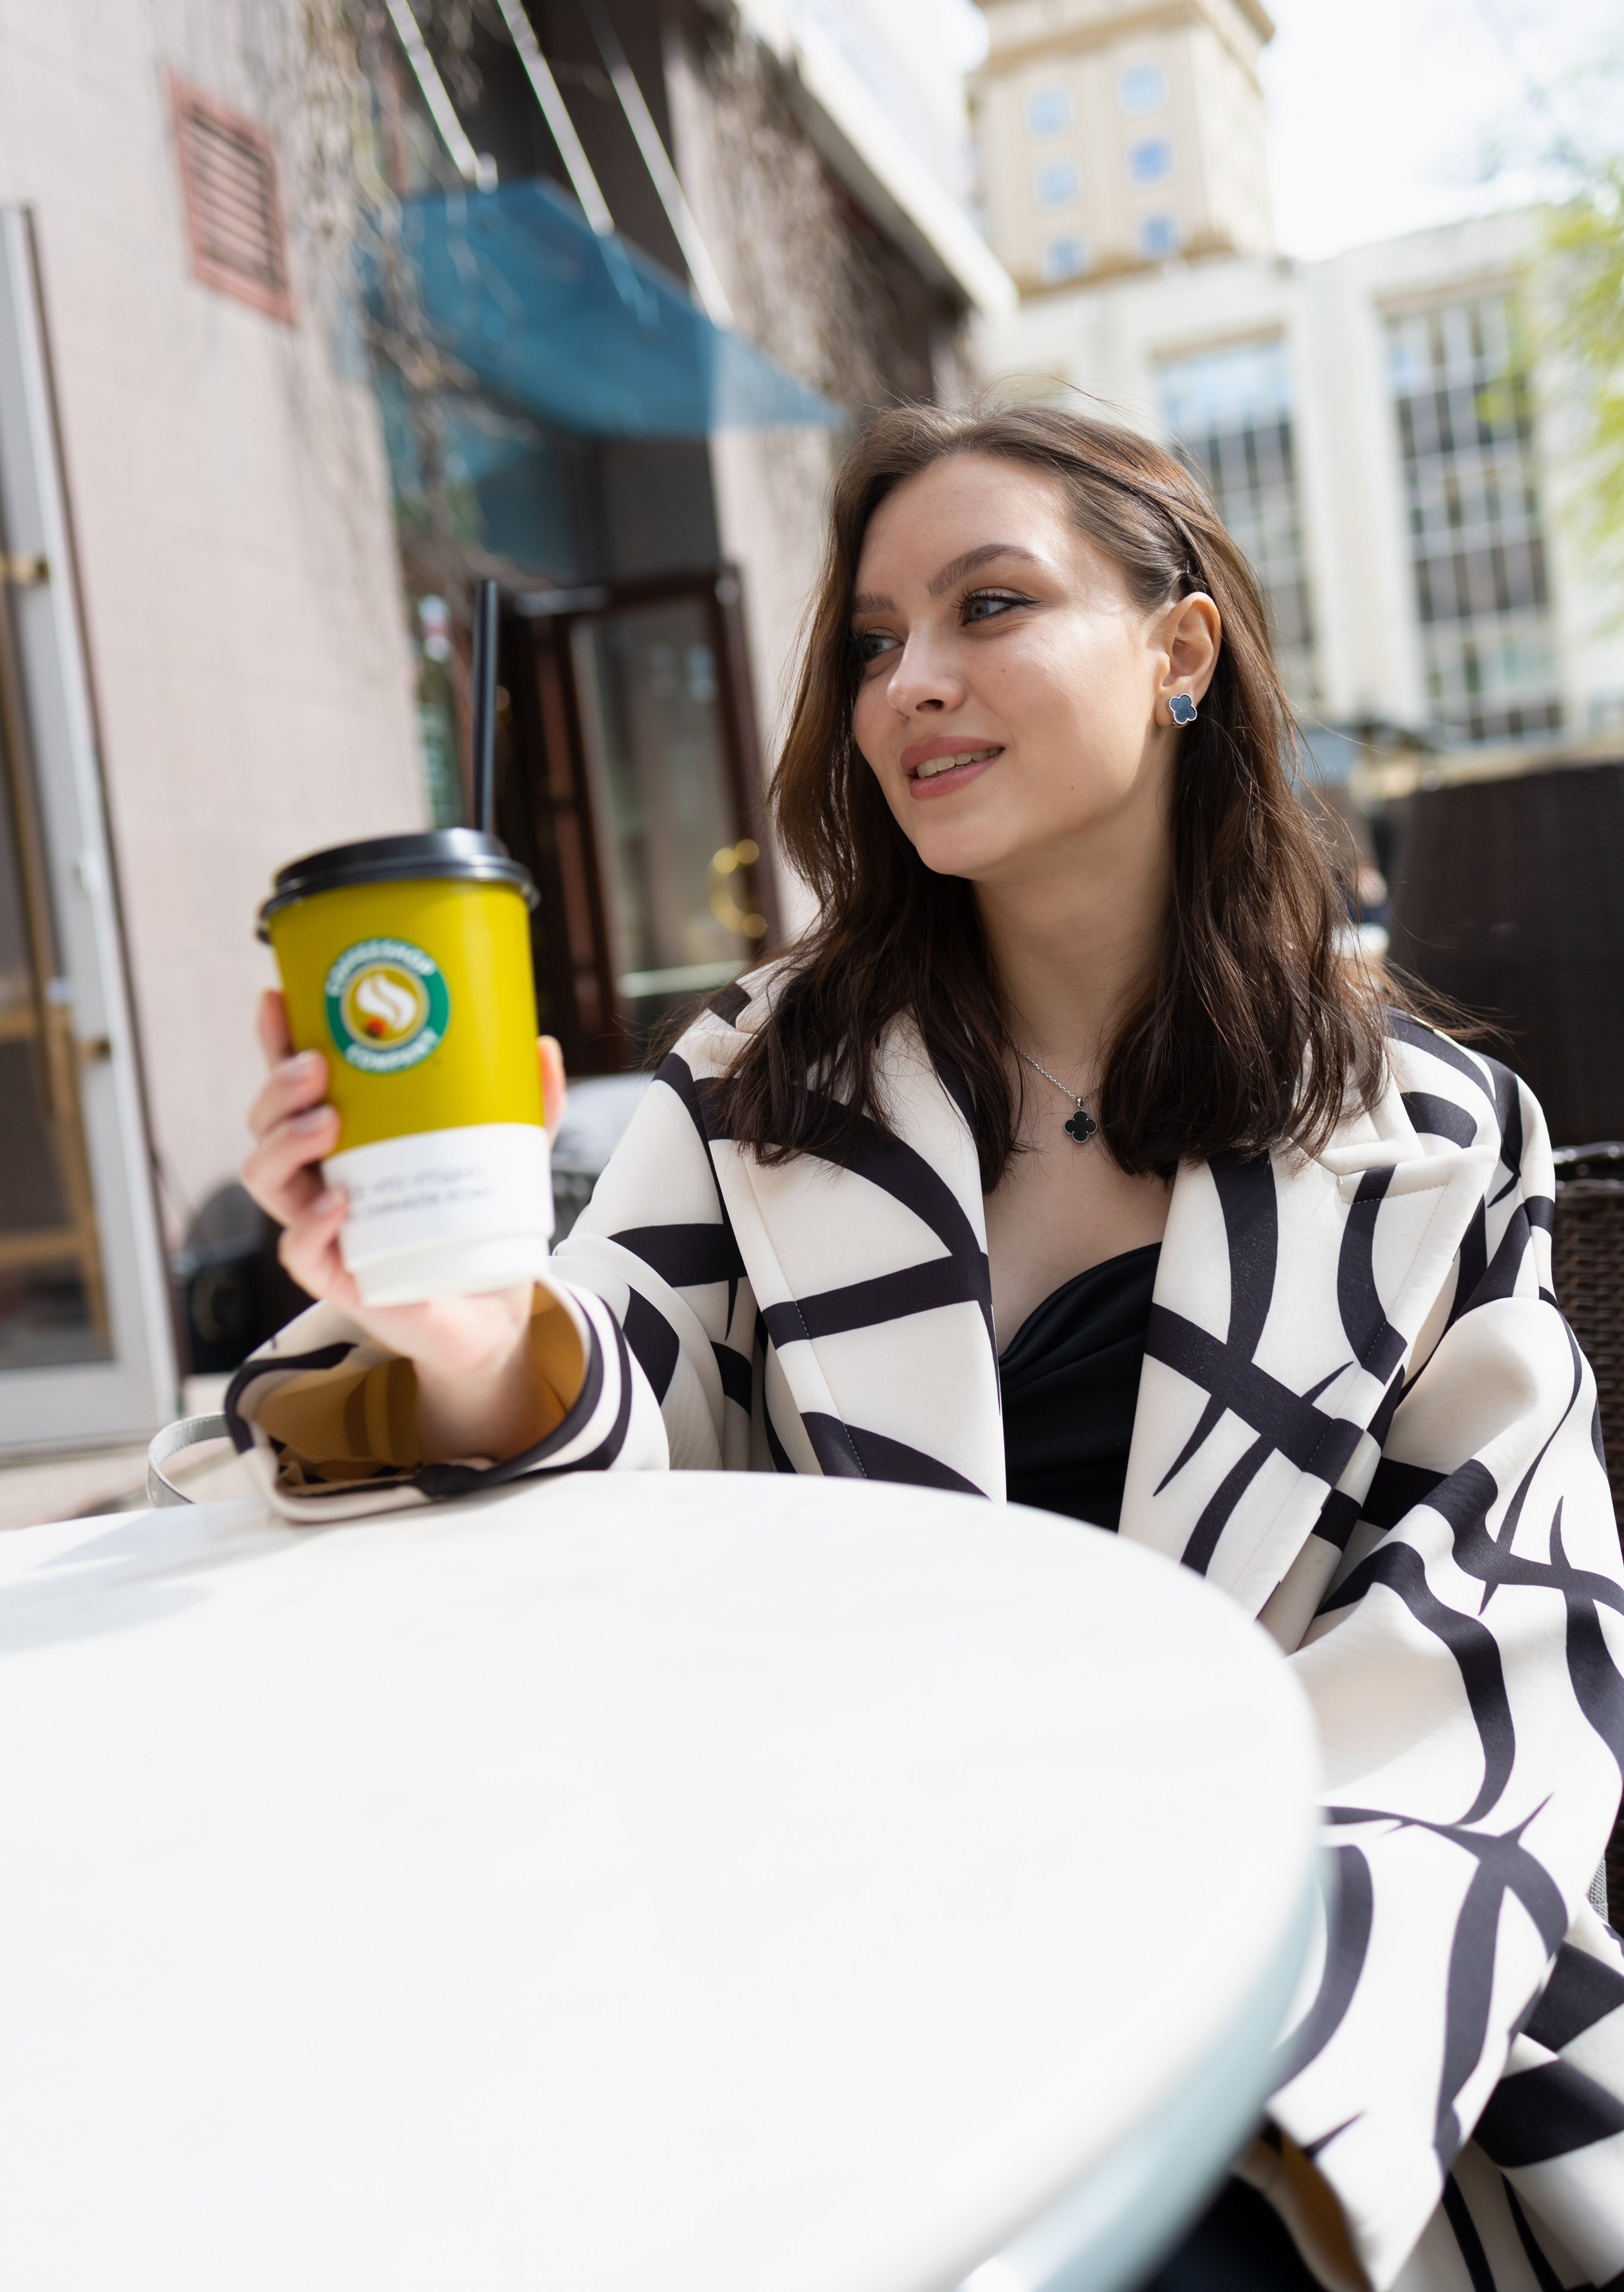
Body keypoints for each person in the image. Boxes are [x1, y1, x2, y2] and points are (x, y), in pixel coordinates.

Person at [238, 403, 1624, 2290]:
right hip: (836, 1986)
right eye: (876, 641)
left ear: (1180, 652)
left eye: (991, 607)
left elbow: (1492, 1683)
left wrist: (1204, 2099)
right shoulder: (761, 1088)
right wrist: (462, 1329)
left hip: (1312, 2037)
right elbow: (612, 1407)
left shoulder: (1435, 1140)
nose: (915, 685)